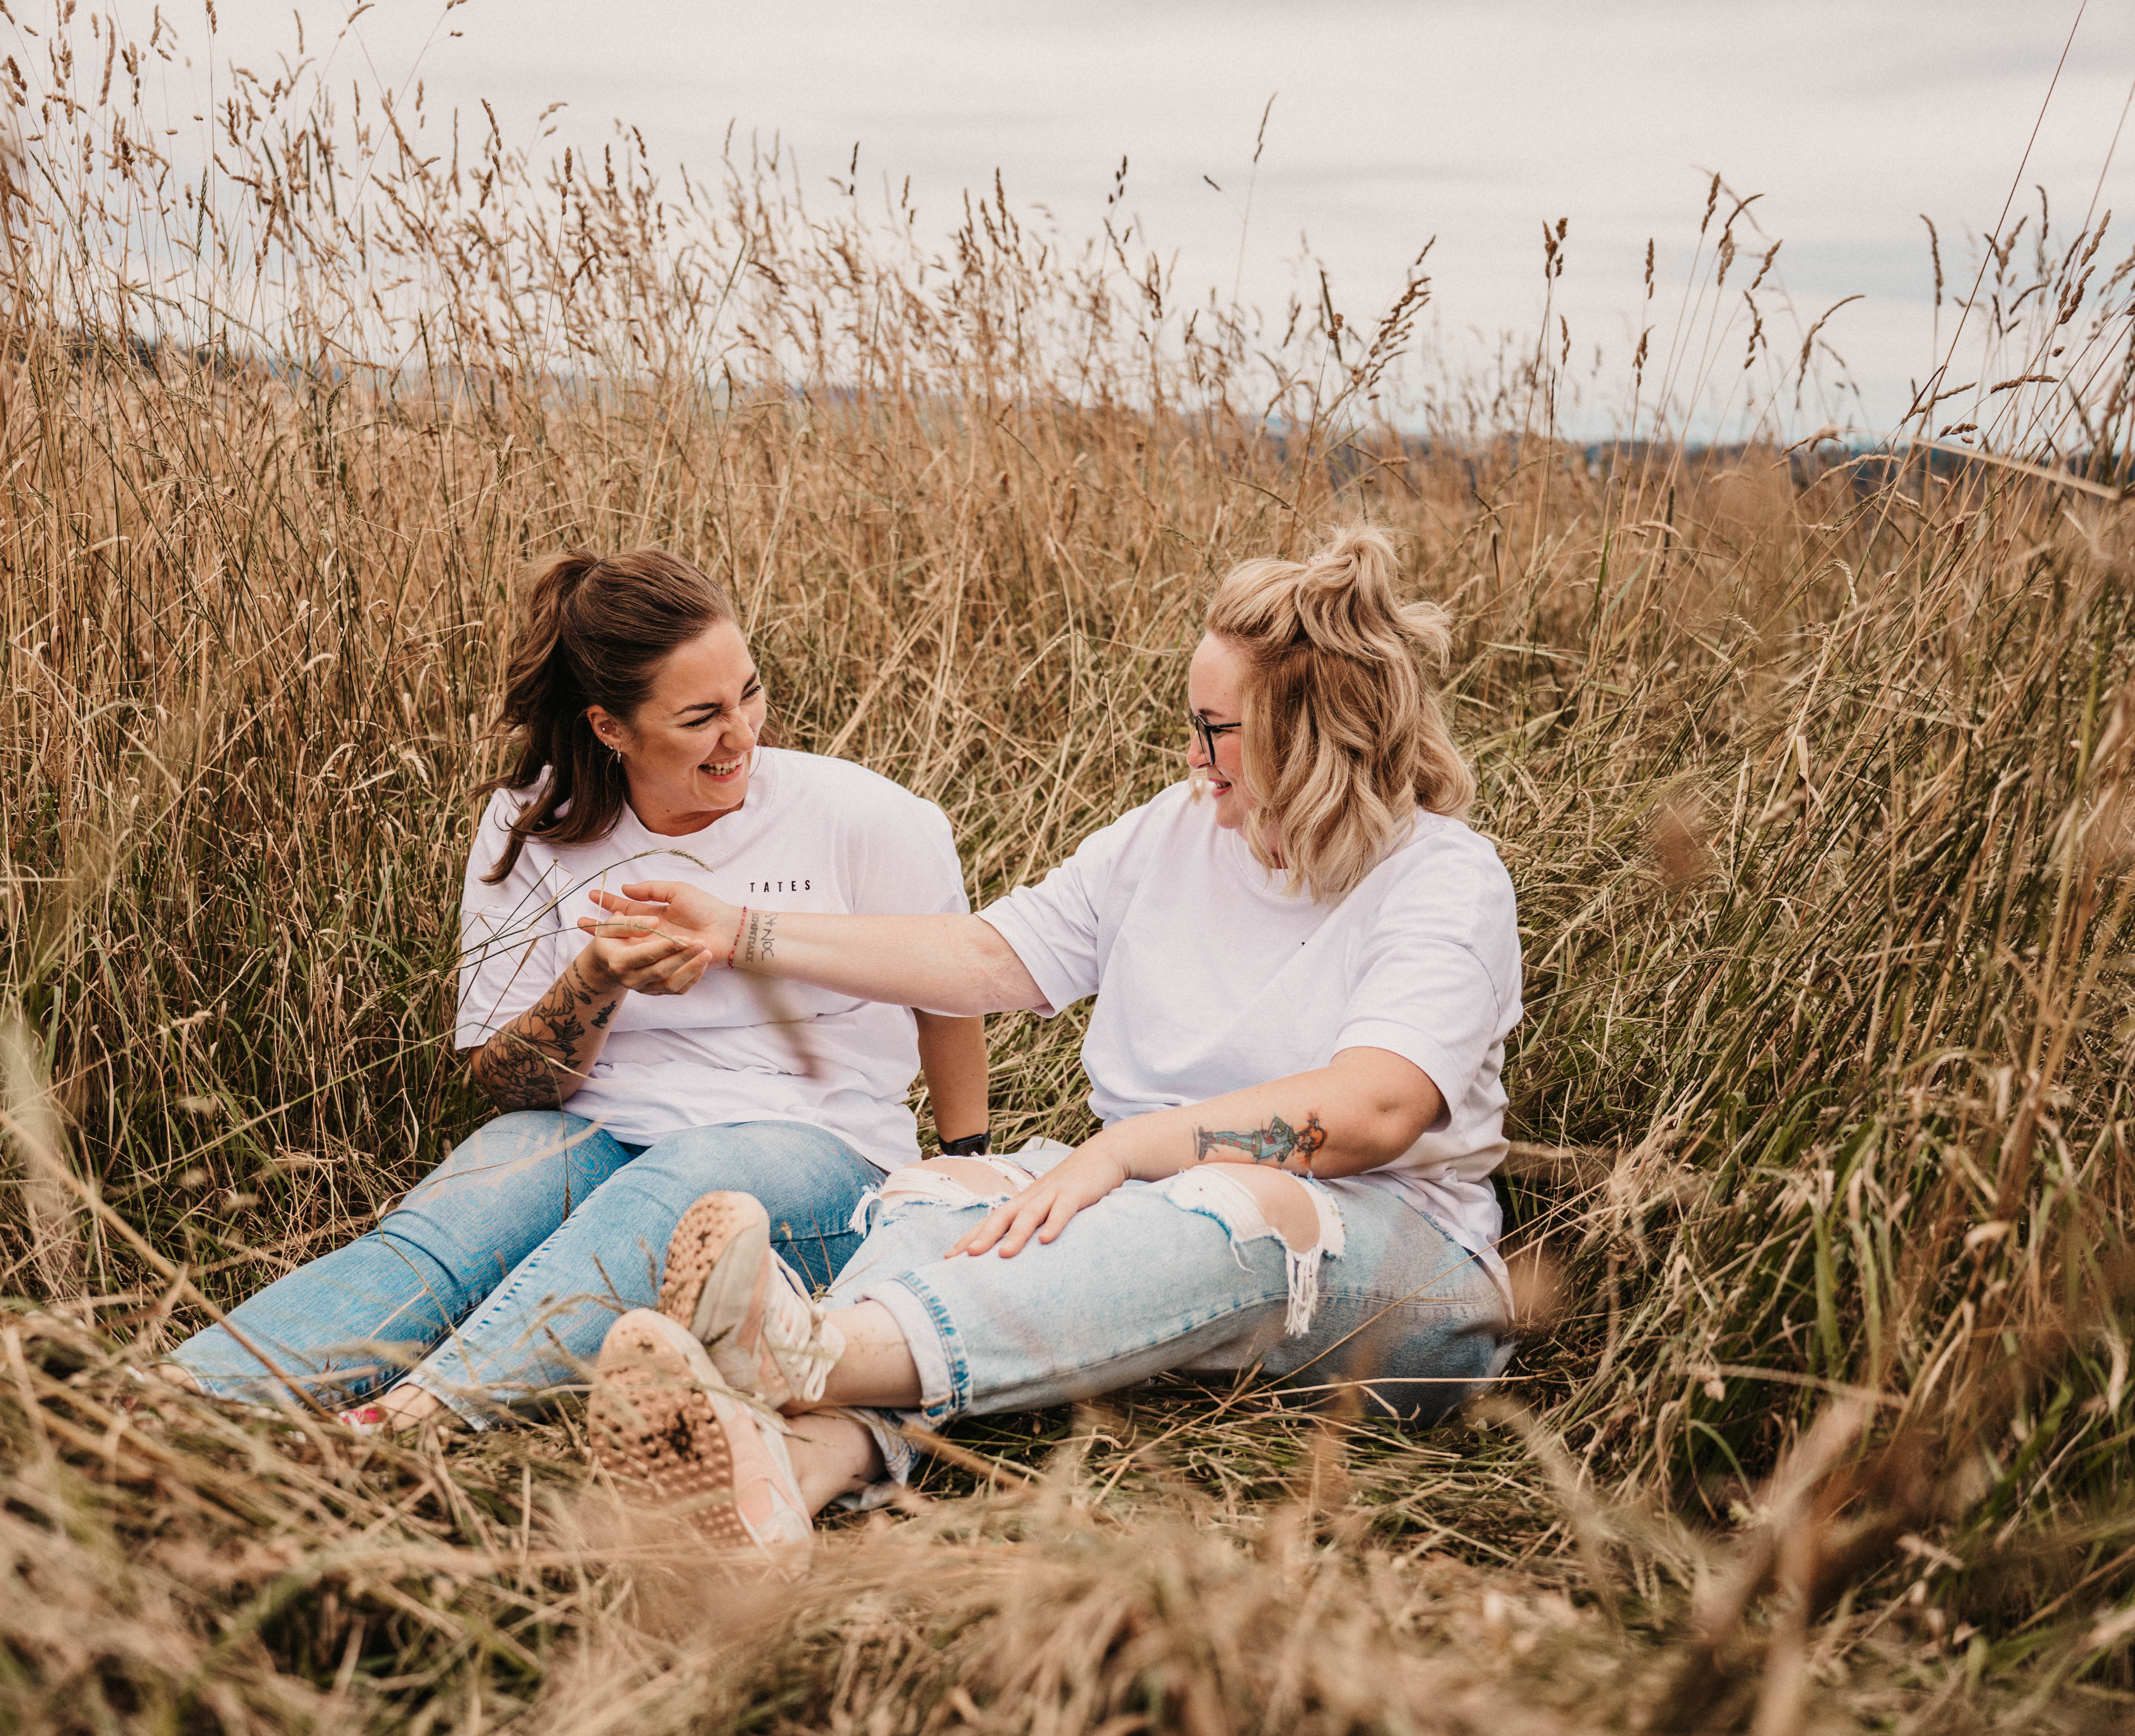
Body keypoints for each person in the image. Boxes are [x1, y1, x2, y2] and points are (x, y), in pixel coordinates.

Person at [579, 526, 1520, 1571]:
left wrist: (1124, 1150)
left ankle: (809, 1347)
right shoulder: (1171, 834)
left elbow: (1374, 1109)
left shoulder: (1443, 878)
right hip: (1160, 1205)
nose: (1192, 758)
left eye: (1217, 730)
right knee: (938, 1192)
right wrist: (741, 931)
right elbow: (984, 955)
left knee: (1226, 1203)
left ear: (1310, 733)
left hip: (1408, 1278)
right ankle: (793, 1470)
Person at [162, 546, 987, 1431]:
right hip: (588, 1126)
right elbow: (508, 1084)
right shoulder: (534, 825)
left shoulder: (865, 816)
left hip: (813, 1145)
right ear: (611, 727)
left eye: (749, 692)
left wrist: (965, 1165)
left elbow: (950, 987)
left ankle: (418, 1421)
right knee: (451, 1230)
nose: (744, 735)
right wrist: (596, 979)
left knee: (679, 1187)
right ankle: (167, 1402)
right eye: (701, 716)